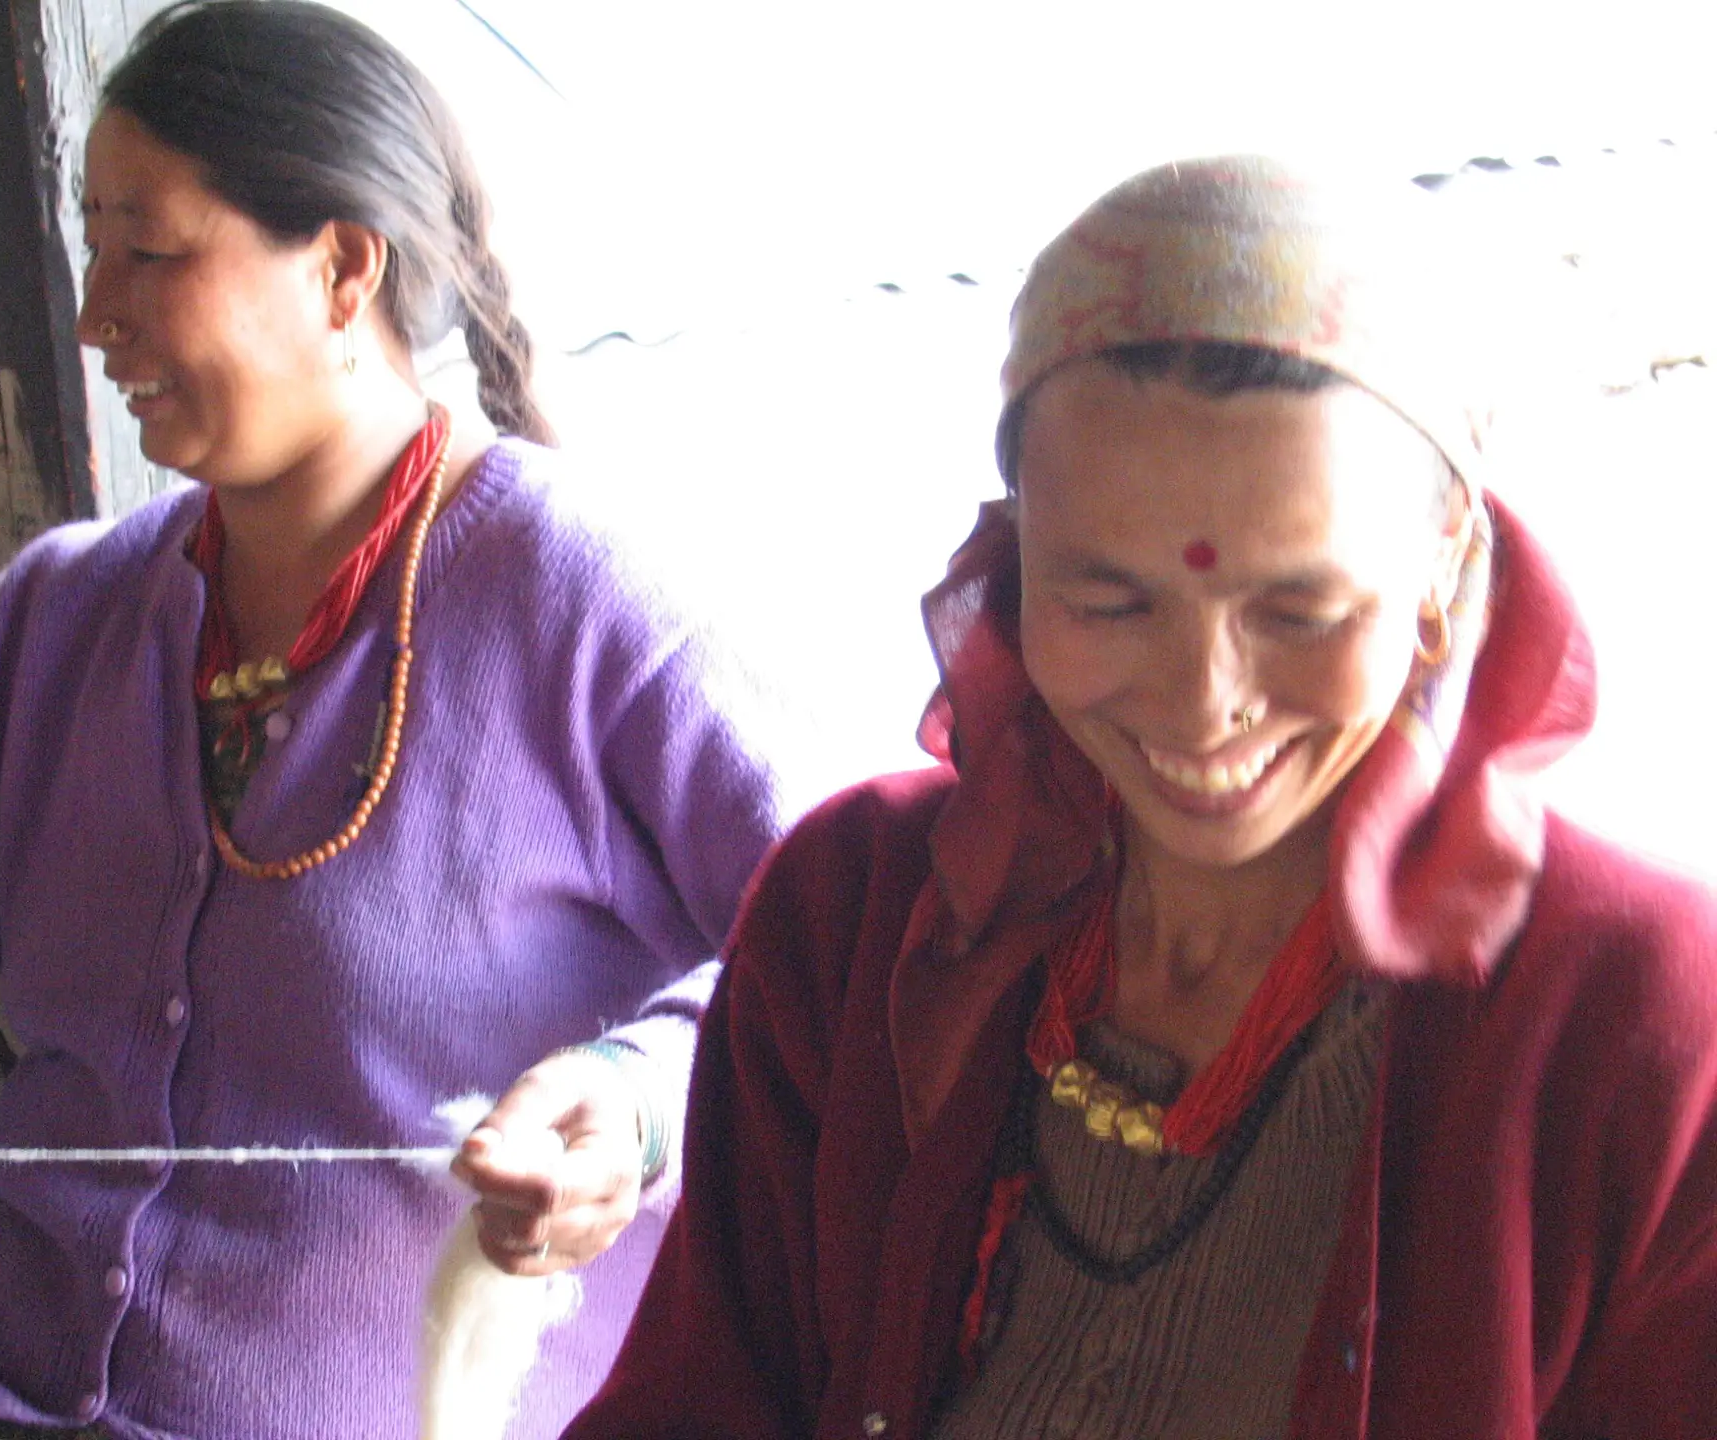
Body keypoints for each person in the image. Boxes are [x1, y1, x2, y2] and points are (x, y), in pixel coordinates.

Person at [563, 156, 1717, 1440]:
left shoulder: (1637, 1018)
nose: (1203, 700)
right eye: (1106, 601)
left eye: (1301, 611)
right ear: (1007, 556)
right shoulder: (858, 914)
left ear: (1445, 571)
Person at [0, 4, 801, 1438]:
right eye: (95, 248)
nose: (95, 314)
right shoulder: (69, 625)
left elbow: (853, 957)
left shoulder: (571, 596)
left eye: (150, 250)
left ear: (341, 268)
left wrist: (635, 1104)